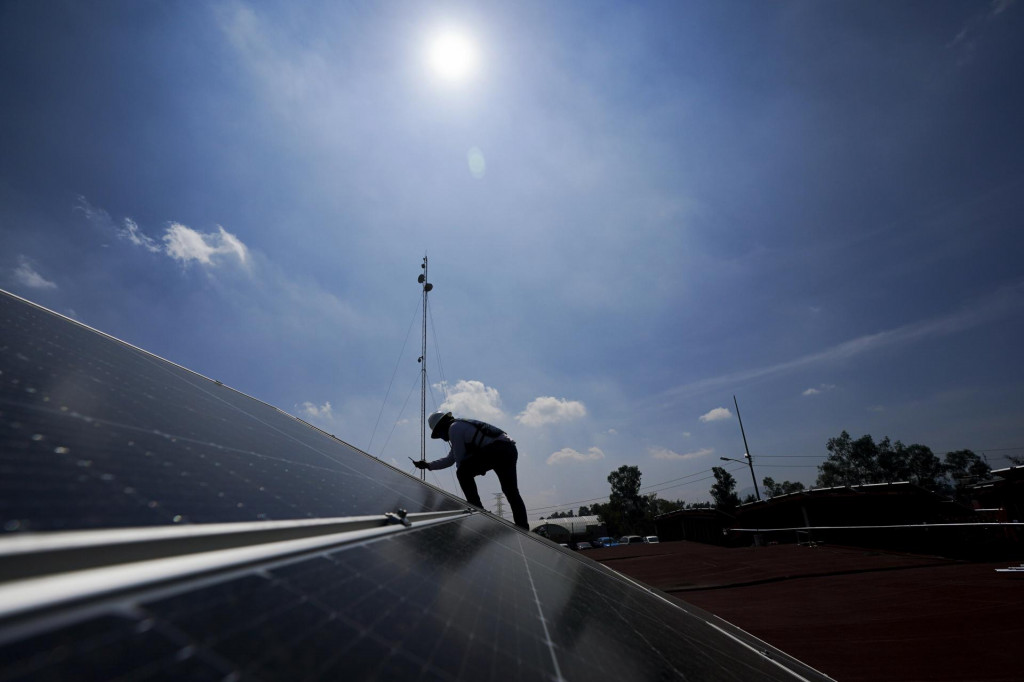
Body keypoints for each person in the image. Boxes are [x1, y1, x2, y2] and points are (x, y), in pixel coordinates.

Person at [414, 411, 529, 529]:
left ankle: (477, 509)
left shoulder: (454, 429)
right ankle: (523, 526)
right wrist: (428, 465)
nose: (442, 438)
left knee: (462, 472)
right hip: (508, 449)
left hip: (497, 450)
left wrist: (466, 475)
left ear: (442, 427)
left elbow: (459, 461)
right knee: (511, 491)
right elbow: (450, 459)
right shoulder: (459, 426)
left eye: (439, 434)